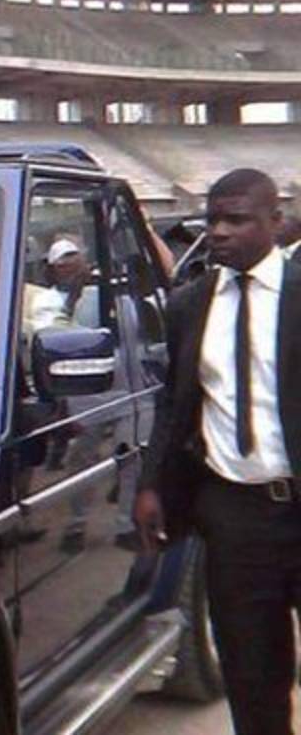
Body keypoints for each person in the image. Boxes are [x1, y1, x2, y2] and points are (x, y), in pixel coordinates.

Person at [134, 168, 301, 735]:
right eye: (213, 220)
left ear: (275, 223)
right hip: (234, 513)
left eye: (237, 220)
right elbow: (174, 403)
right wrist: (152, 483)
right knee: (252, 672)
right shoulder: (189, 305)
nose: (220, 232)